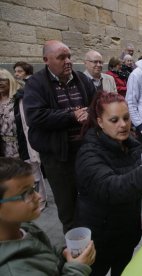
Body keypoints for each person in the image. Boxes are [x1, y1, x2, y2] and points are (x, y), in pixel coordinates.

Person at [75, 92, 142, 276]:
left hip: (127, 233)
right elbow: (111, 187)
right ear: (100, 121)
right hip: (100, 238)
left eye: (126, 118)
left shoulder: (132, 146)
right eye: (114, 120)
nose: (123, 124)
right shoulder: (88, 154)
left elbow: (139, 186)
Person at [23, 40, 96, 233]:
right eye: (61, 57)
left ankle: (93, 236)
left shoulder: (81, 79)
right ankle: (75, 247)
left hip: (85, 152)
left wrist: (90, 112)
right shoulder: (36, 84)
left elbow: (97, 103)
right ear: (46, 60)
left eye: (69, 56)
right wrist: (72, 116)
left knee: (91, 196)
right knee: (67, 205)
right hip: (58, 158)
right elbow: (35, 116)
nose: (68, 61)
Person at [0, 157, 96, 275]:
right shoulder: (13, 271)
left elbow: (43, 251)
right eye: (26, 193)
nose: (38, 196)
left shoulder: (24, 227)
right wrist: (78, 268)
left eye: (34, 188)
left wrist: (63, 254)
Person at [0, 69, 48, 211]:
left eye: (3, 80)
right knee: (13, 174)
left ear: (10, 81)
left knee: (32, 172)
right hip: (5, 145)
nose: (0, 83)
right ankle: (21, 199)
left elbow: (27, 124)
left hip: (22, 142)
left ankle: (40, 201)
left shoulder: (18, 99)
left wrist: (33, 147)